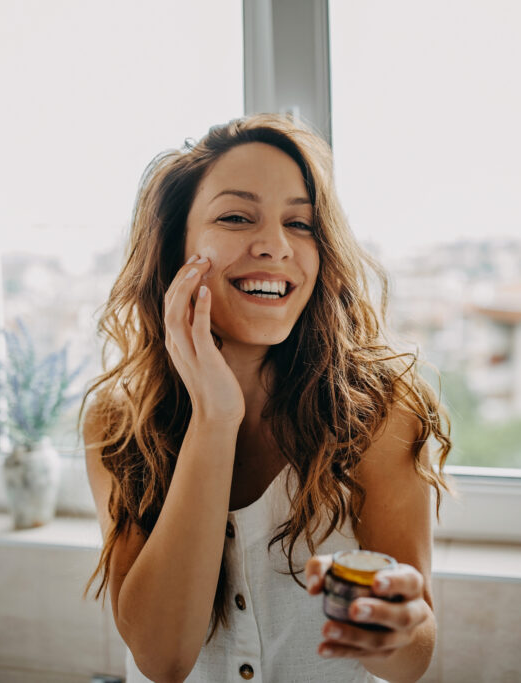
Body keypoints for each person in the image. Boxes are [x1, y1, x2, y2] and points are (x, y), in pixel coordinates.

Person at [82, 113, 452, 683]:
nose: (276, 246)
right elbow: (161, 657)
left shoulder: (380, 410)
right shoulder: (118, 420)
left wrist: (394, 627)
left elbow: (412, 657)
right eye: (236, 216)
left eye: (300, 224)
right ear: (176, 244)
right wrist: (214, 417)